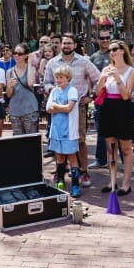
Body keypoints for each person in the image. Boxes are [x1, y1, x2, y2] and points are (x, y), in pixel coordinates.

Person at [43, 33, 101, 187]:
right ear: (60, 45)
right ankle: (60, 172)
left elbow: (99, 79)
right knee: (58, 142)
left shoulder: (84, 62)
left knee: (79, 141)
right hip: (57, 110)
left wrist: (92, 96)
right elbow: (46, 82)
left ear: (75, 45)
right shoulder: (52, 63)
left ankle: (83, 172)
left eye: (70, 43)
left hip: (78, 109)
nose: (66, 46)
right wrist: (53, 90)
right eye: (64, 43)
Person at [95, 41, 134, 195]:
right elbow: (97, 91)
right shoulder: (106, 69)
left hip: (123, 109)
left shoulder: (131, 71)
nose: (111, 52)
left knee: (126, 148)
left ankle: (126, 183)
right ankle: (112, 180)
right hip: (108, 108)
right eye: (110, 50)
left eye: (114, 49)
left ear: (122, 51)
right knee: (110, 148)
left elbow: (126, 95)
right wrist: (103, 78)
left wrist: (118, 79)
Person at [46, 65, 81, 198]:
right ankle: (60, 181)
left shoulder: (72, 90)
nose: (58, 80)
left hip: (69, 131)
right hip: (56, 130)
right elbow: (49, 109)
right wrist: (57, 107)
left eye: (61, 77)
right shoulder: (54, 91)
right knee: (59, 156)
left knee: (72, 157)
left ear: (68, 78)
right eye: (57, 77)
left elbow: (69, 108)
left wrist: (56, 106)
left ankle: (75, 184)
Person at [89, 29, 112, 169]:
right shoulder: (93, 57)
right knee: (101, 130)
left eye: (107, 38)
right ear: (97, 39)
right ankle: (101, 159)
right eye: (102, 38)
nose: (104, 40)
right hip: (100, 98)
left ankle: (126, 160)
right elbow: (89, 78)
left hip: (117, 96)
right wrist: (92, 94)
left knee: (120, 130)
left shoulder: (116, 53)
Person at [5, 43, 39, 135]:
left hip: (30, 110)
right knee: (19, 142)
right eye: (15, 53)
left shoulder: (31, 68)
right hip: (15, 111)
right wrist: (10, 86)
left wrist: (30, 61)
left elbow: (30, 83)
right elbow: (8, 94)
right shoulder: (9, 72)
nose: (16, 55)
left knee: (31, 140)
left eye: (20, 54)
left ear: (26, 55)